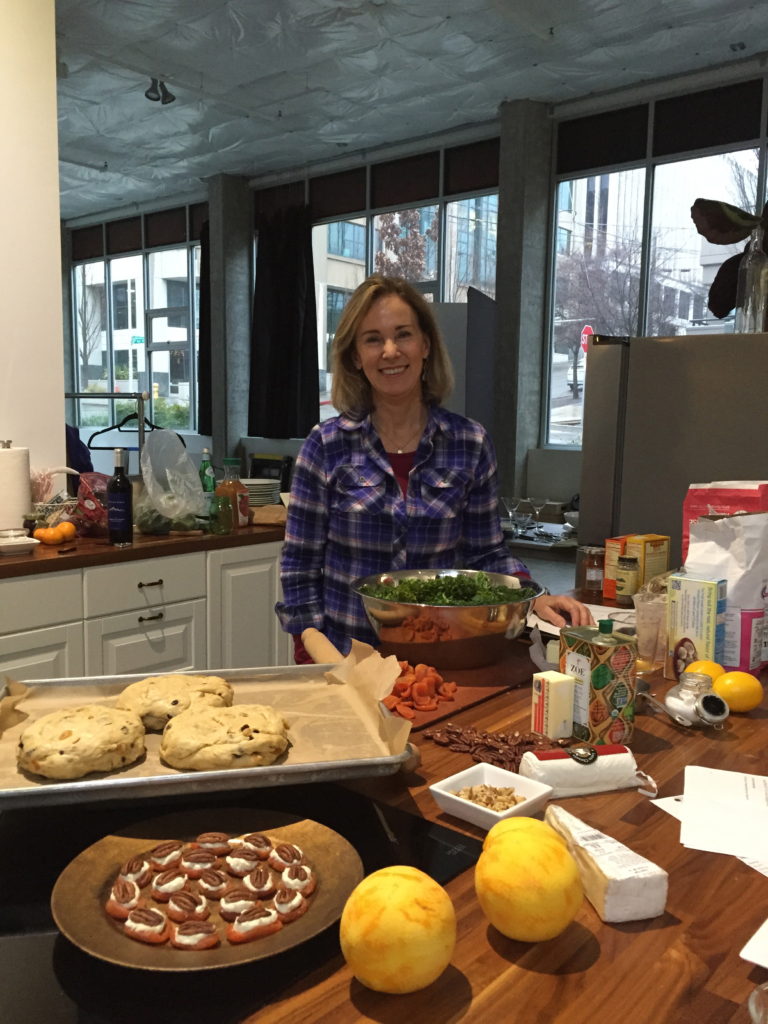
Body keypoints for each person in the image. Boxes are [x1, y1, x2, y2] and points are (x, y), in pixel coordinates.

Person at [276, 274, 591, 660]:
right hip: (347, 660)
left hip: (442, 657)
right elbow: (300, 566)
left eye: (403, 334)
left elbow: (486, 553)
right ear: (356, 356)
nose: (390, 351)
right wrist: (312, 652)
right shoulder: (325, 446)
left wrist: (533, 596)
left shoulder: (469, 443)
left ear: (425, 345)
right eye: (373, 339)